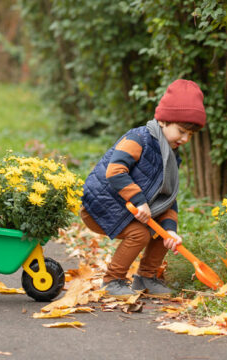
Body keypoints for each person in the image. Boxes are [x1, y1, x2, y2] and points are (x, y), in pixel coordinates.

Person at [79, 79, 205, 298]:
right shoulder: (138, 139)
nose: (185, 139)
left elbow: (168, 197)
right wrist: (139, 200)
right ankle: (112, 280)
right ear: (164, 120)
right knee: (140, 234)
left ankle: (146, 278)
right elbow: (115, 171)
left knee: (162, 234)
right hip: (102, 206)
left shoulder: (172, 157)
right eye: (182, 131)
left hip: (131, 210)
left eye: (190, 135)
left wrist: (170, 230)